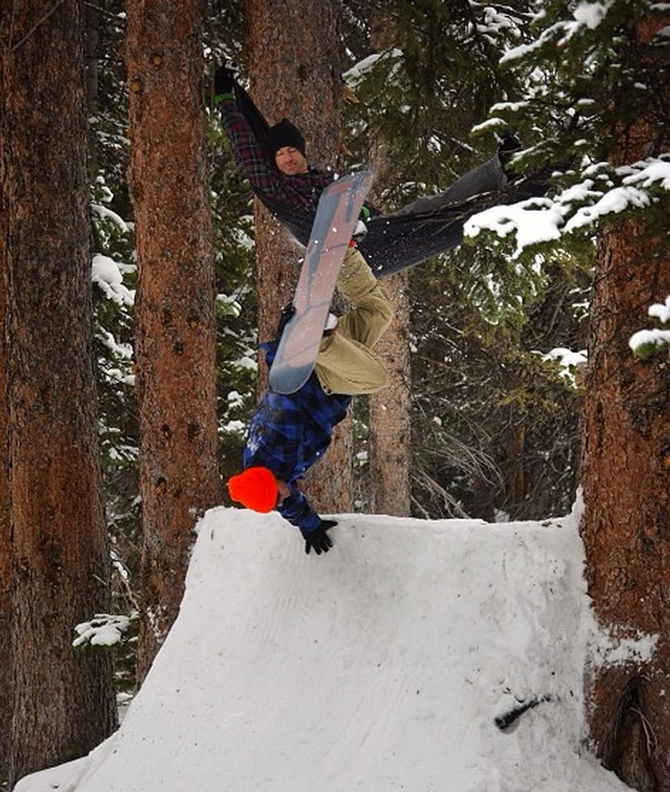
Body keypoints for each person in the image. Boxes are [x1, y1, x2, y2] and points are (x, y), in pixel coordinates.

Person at [213, 63, 539, 277]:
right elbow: (246, 145)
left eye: (291, 151)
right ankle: (513, 202)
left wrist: (367, 211)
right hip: (354, 262)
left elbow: (361, 208)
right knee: (441, 228)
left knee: (431, 206)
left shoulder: (324, 181)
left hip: (371, 236)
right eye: (279, 154)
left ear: (302, 153)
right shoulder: (275, 188)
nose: (285, 158)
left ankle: (501, 167)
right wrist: (227, 97)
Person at [227, 246, 392, 556]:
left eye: (277, 498)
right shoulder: (264, 473)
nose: (282, 500)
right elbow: (289, 504)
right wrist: (309, 524)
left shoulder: (275, 444)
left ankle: (322, 338)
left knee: (376, 378)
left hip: (323, 380)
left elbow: (282, 391)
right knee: (377, 311)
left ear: (268, 482)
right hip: (323, 370)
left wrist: (286, 342)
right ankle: (347, 254)